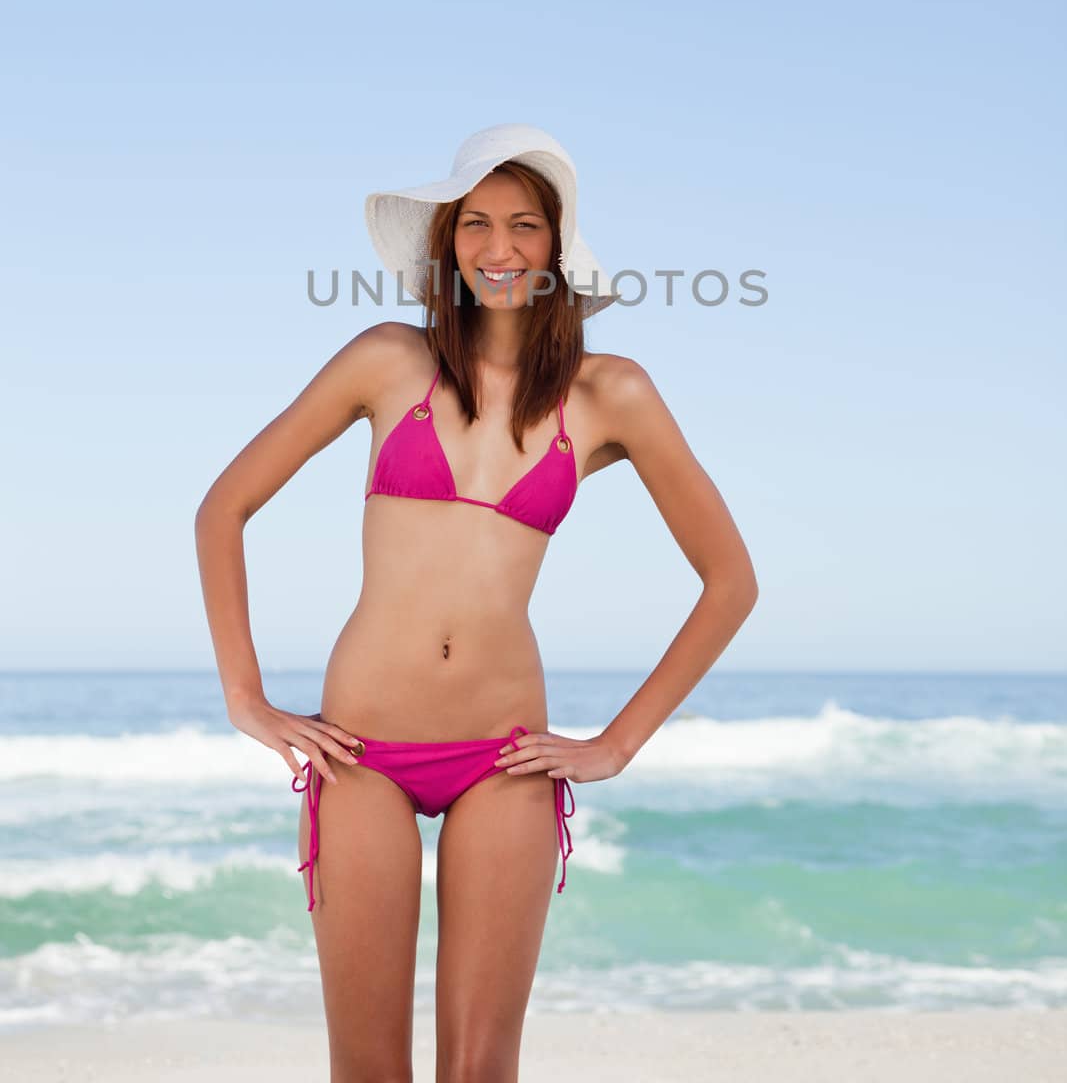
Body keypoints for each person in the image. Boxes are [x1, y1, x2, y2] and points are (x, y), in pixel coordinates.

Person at [194, 122, 759, 1082]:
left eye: (525, 226)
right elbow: (225, 508)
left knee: (479, 1072)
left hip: (504, 759)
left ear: (556, 248)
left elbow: (729, 581)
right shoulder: (385, 360)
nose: (499, 249)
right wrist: (245, 700)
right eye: (477, 226)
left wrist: (615, 744)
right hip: (361, 749)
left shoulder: (609, 393)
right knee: (368, 1070)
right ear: (448, 245)